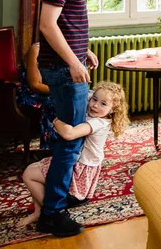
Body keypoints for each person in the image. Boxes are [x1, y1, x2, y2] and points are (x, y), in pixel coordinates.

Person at [36, 0, 118, 237]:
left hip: (68, 64)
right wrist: (73, 62)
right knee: (70, 143)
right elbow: (47, 25)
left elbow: (67, 23)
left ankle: (57, 201)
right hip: (62, 69)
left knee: (71, 140)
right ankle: (53, 214)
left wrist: (85, 50)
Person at [20, 81, 128, 227]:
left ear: (113, 110)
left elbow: (69, 134)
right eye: (94, 100)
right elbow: (87, 93)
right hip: (77, 164)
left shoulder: (99, 123)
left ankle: (51, 212)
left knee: (28, 174)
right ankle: (38, 212)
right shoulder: (97, 111)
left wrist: (56, 119)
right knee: (33, 168)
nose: (95, 105)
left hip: (80, 172)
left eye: (103, 104)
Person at [16, 42, 56, 151]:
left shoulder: (66, 47)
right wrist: (62, 92)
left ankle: (76, 145)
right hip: (31, 95)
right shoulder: (36, 49)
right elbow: (35, 85)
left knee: (85, 97)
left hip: (52, 91)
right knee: (54, 103)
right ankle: (50, 149)